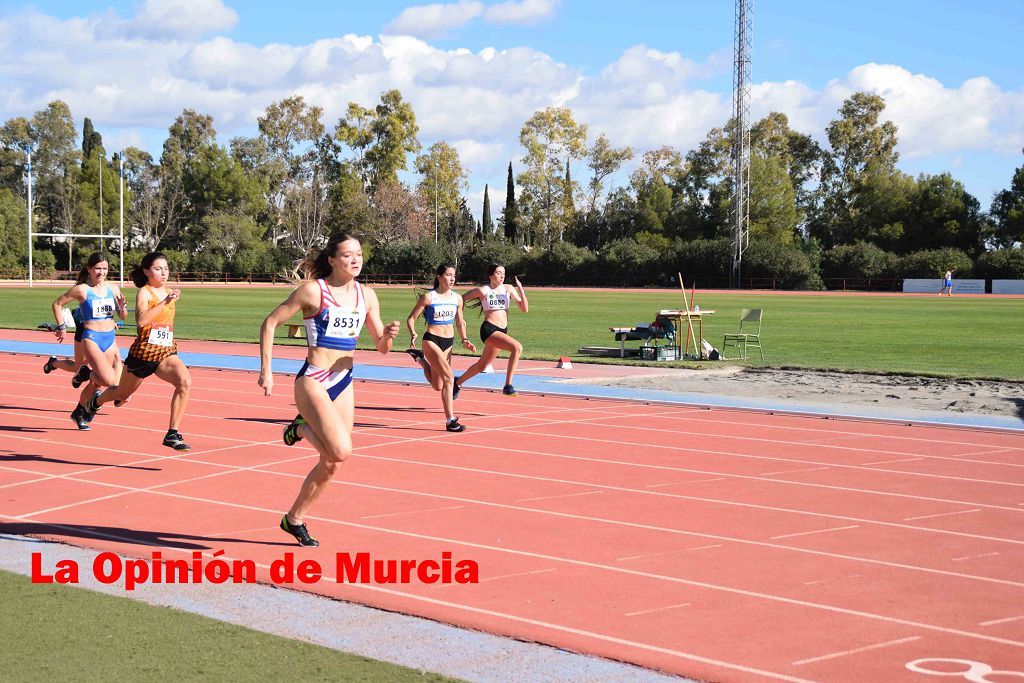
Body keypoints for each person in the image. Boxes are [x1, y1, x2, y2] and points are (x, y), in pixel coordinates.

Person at [259, 233, 399, 547]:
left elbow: (381, 348)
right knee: (341, 451)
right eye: (348, 255)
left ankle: (293, 519)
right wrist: (266, 370)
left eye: (359, 254)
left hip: (344, 381)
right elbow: (270, 323)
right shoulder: (313, 291)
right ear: (332, 260)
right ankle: (301, 426)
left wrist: (388, 335)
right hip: (314, 378)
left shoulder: (368, 296)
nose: (356, 259)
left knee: (332, 462)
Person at [84, 252, 192, 451]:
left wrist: (169, 299)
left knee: (185, 382)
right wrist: (165, 302)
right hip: (143, 353)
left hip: (166, 351)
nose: (164, 273)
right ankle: (96, 401)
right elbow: (141, 321)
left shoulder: (168, 292)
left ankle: (172, 434)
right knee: (121, 394)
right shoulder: (145, 292)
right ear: (146, 271)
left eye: (166, 269)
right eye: (158, 269)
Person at [47, 252, 128, 429]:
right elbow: (57, 304)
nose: (101, 272)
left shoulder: (113, 288)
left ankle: (79, 412)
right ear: (89, 269)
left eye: (105, 268)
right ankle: (85, 373)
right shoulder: (82, 290)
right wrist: (61, 326)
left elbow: (122, 316)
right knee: (108, 381)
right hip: (91, 338)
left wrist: (122, 308)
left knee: (99, 383)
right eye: (98, 268)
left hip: (110, 338)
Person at [405, 265, 477, 432]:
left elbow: (460, 321)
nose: (452, 278)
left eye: (454, 275)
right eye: (448, 275)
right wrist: (413, 333)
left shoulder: (457, 299)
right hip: (431, 340)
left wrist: (464, 339)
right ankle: (450, 421)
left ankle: (420, 359)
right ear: (439, 276)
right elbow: (411, 318)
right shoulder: (429, 298)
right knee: (449, 379)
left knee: (438, 385)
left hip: (448, 342)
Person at [455, 264, 528, 397]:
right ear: (490, 275)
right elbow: (460, 300)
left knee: (482, 366)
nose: (502, 276)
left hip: (502, 331)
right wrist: (460, 317)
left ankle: (457, 383)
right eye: (499, 273)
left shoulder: (508, 288)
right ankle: (508, 385)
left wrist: (521, 290)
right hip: (489, 330)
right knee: (517, 348)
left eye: (504, 273)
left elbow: (524, 309)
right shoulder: (483, 291)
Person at [43, 305, 98, 390]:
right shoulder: (86, 293)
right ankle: (54, 363)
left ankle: (83, 376)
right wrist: (61, 327)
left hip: (103, 331)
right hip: (85, 329)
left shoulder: (112, 292)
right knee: (79, 367)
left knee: (101, 365)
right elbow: (57, 304)